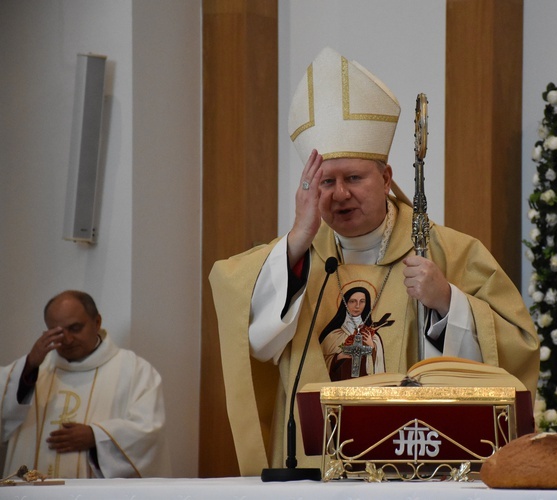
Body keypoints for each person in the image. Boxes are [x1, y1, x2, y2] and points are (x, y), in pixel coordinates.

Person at [209, 47, 539, 475]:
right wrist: (296, 241)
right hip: (318, 465)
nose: (340, 194)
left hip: (421, 461)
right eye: (326, 181)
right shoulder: (294, 258)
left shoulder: (449, 251)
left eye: (354, 178)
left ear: (386, 179)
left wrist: (448, 303)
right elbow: (253, 338)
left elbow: (518, 347)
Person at [0, 290, 171, 478]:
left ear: (97, 322)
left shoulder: (134, 370)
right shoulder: (31, 370)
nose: (67, 340)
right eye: (57, 332)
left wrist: (97, 437)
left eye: (75, 328)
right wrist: (29, 366)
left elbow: (149, 432)